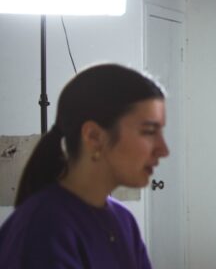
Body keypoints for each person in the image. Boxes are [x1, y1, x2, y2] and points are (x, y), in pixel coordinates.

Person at [0, 64, 168, 268]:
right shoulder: (44, 228)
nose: (163, 149)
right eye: (149, 132)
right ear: (94, 136)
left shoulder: (123, 222)